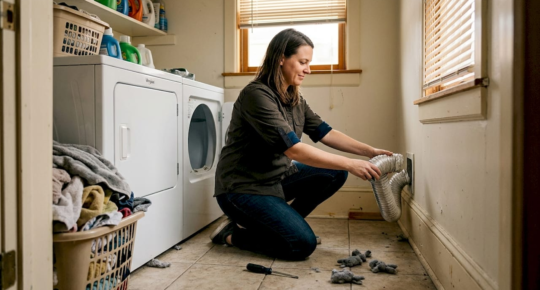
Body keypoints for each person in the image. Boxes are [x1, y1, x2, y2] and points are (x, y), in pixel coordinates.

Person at [211, 28, 392, 260]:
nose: (308, 69)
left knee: (334, 173)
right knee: (301, 245)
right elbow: (294, 149)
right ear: (281, 59)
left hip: (275, 180)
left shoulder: (294, 97)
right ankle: (232, 235)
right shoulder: (257, 96)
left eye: (309, 62)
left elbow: (326, 132)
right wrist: (349, 163)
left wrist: (370, 151)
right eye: (303, 62)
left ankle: (277, 229)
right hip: (242, 189)